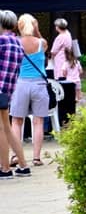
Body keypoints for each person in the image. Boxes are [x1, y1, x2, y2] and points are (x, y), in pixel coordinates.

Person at [10, 14, 48, 168]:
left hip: (21, 83)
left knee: (17, 121)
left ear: (19, 26)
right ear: (34, 26)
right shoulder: (41, 43)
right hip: (39, 84)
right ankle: (36, 158)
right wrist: (37, 31)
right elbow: (44, 44)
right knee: (38, 122)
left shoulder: (15, 43)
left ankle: (16, 155)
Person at [0, 10, 30, 179]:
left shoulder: (1, 41)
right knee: (8, 129)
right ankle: (24, 166)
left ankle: (5, 169)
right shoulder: (18, 42)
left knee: (1, 130)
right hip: (8, 91)